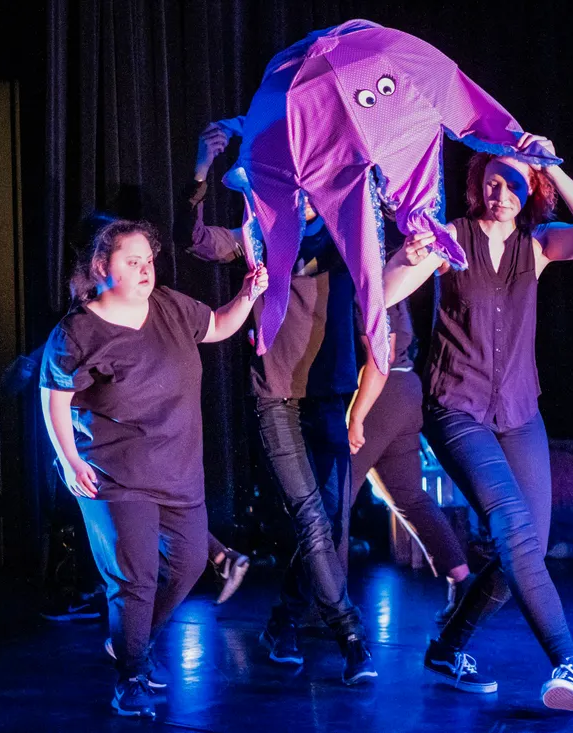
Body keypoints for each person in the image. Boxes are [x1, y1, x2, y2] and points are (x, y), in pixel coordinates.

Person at [382, 133, 573, 711]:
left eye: (514, 180)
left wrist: (553, 167)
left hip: (518, 413)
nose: (500, 190)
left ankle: (447, 647)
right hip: (455, 409)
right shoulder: (450, 239)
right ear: (476, 186)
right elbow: (386, 292)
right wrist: (408, 256)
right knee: (513, 530)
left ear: (529, 188)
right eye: (490, 179)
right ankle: (570, 665)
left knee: (524, 546)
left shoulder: (536, 247)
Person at [182, 123, 384, 685]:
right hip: (276, 398)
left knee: (330, 523)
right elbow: (194, 239)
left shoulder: (349, 239)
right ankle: (352, 639)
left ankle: (284, 622)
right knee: (312, 519)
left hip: (331, 397)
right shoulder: (259, 238)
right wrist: (201, 171)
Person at [40, 219, 267, 718]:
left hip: (179, 471)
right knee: (136, 577)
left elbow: (220, 326)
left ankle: (131, 647)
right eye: (132, 261)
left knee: (187, 566)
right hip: (114, 476)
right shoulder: (79, 331)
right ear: (102, 267)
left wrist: (248, 294)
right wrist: (68, 458)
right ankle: (132, 675)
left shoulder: (169, 306)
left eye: (149, 260)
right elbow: (52, 397)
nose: (145, 270)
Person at [348, 266, 473, 625]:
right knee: (407, 495)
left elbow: (380, 354)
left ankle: (318, 605)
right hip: (405, 389)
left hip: (381, 393)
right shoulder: (390, 272)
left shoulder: (371, 277)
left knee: (334, 496)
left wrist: (357, 414)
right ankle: (462, 580)